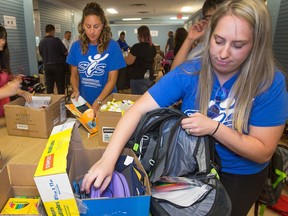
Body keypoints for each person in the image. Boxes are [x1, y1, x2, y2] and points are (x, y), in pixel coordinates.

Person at [81, 1, 288, 215]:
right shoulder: (190, 73)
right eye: (218, 41)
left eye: (238, 45)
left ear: (256, 44)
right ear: (209, 36)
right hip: (192, 167)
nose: (224, 53)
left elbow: (263, 151)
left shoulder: (270, 83)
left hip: (239, 175)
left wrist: (215, 128)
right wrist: (108, 159)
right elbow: (136, 110)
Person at [67, 2, 126, 115]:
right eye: (88, 26)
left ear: (103, 25)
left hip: (106, 101)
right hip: (83, 102)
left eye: (96, 26)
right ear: (82, 26)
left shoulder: (113, 47)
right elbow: (74, 74)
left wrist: (99, 101)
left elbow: (112, 80)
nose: (92, 31)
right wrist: (75, 89)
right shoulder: (75, 47)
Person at [171, 0, 225, 70]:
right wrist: (190, 39)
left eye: (218, 17)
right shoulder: (201, 49)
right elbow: (174, 74)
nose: (214, 22)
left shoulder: (235, 50)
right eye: (209, 18)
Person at [0, 25, 31, 117]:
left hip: (4, 111)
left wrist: (19, 91)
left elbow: (4, 84)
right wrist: (9, 88)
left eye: (4, 38)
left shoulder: (2, 59)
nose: (2, 42)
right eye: (0, 38)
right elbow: (6, 89)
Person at [125, 25, 156, 95]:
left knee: (137, 100)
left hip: (137, 78)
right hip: (149, 78)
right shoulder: (152, 47)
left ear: (139, 35)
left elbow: (129, 62)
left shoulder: (137, 47)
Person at [39, 24, 68, 94]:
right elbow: (66, 52)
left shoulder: (41, 42)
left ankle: (51, 102)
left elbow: (41, 54)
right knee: (60, 86)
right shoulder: (57, 40)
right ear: (52, 31)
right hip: (58, 66)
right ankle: (61, 103)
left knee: (49, 86)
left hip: (47, 67)